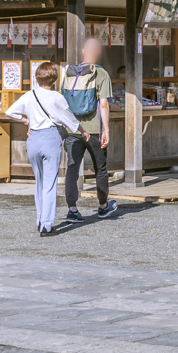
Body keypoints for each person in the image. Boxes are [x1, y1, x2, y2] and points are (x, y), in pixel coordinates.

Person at [6, 60, 82, 235]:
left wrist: (27, 120)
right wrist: (82, 131)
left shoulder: (29, 95)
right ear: (54, 79)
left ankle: (40, 219)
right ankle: (47, 225)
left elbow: (9, 112)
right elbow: (70, 120)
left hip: (33, 139)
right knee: (49, 184)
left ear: (37, 78)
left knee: (39, 183)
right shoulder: (57, 97)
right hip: (50, 137)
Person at [63, 37, 118, 221]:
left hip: (72, 129)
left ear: (83, 51)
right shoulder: (100, 74)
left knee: (72, 169)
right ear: (98, 52)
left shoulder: (69, 73)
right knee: (100, 169)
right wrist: (107, 130)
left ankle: (72, 209)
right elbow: (103, 105)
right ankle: (103, 206)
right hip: (94, 130)